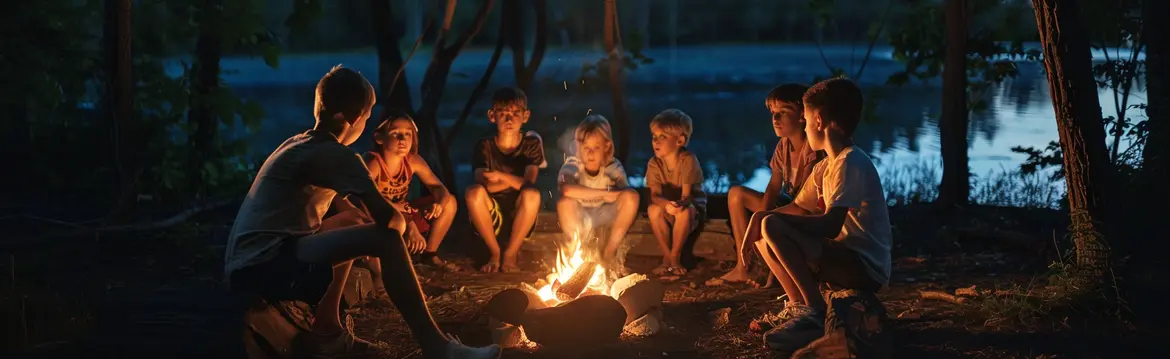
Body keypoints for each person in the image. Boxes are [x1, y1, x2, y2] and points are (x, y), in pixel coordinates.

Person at [223, 65, 500, 359]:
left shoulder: (297, 143)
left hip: (246, 261)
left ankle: (328, 331)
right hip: (263, 266)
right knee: (386, 239)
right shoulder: (338, 155)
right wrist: (405, 223)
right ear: (356, 118)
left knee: (354, 222)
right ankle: (439, 348)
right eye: (368, 117)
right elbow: (391, 222)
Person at [750, 78, 893, 353]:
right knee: (765, 228)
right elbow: (800, 208)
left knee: (772, 225)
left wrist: (771, 222)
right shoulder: (826, 165)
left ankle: (815, 312)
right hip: (842, 257)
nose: (803, 124)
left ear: (818, 121)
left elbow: (831, 224)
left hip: (864, 267)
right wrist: (759, 221)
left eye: (804, 118)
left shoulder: (850, 162)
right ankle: (799, 308)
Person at [714, 83, 823, 286]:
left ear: (803, 116)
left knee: (769, 220)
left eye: (783, 112)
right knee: (737, 193)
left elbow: (805, 203)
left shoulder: (813, 149)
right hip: (790, 206)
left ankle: (777, 273)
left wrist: (765, 218)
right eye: (773, 113)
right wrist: (759, 215)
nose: (775, 119)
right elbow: (774, 186)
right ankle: (743, 267)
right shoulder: (783, 145)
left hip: (808, 213)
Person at [360, 110, 460, 285]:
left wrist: (438, 202)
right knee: (391, 221)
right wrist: (410, 224)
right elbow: (367, 199)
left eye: (408, 134)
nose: (402, 139)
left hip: (404, 212)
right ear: (379, 138)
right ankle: (385, 274)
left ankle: (429, 254)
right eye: (396, 134)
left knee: (450, 202)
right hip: (379, 216)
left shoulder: (412, 161)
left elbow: (439, 188)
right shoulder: (374, 163)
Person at [465, 87, 545, 273]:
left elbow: (528, 184)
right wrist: (515, 181)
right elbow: (485, 186)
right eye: (503, 113)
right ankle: (494, 253)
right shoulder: (484, 146)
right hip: (490, 210)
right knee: (473, 192)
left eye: (516, 113)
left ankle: (510, 254)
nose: (509, 119)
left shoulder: (531, 145)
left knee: (532, 195)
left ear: (526, 116)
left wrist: (500, 176)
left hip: (520, 209)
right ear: (492, 116)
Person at [556, 114, 639, 270]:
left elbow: (626, 196)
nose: (591, 153)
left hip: (604, 215)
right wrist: (606, 194)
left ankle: (609, 254)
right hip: (579, 215)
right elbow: (566, 189)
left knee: (632, 197)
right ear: (579, 147)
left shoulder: (613, 167)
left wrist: (614, 195)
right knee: (565, 203)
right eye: (586, 148)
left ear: (607, 146)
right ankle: (578, 252)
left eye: (596, 148)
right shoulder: (573, 164)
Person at [645, 108, 707, 276]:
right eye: (654, 137)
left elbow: (686, 197)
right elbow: (655, 195)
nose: (656, 142)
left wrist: (677, 205)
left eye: (662, 137)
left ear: (680, 141)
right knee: (652, 209)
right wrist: (667, 204)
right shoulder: (654, 163)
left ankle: (675, 256)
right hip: (669, 207)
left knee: (684, 213)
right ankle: (667, 256)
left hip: (690, 208)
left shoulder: (688, 160)